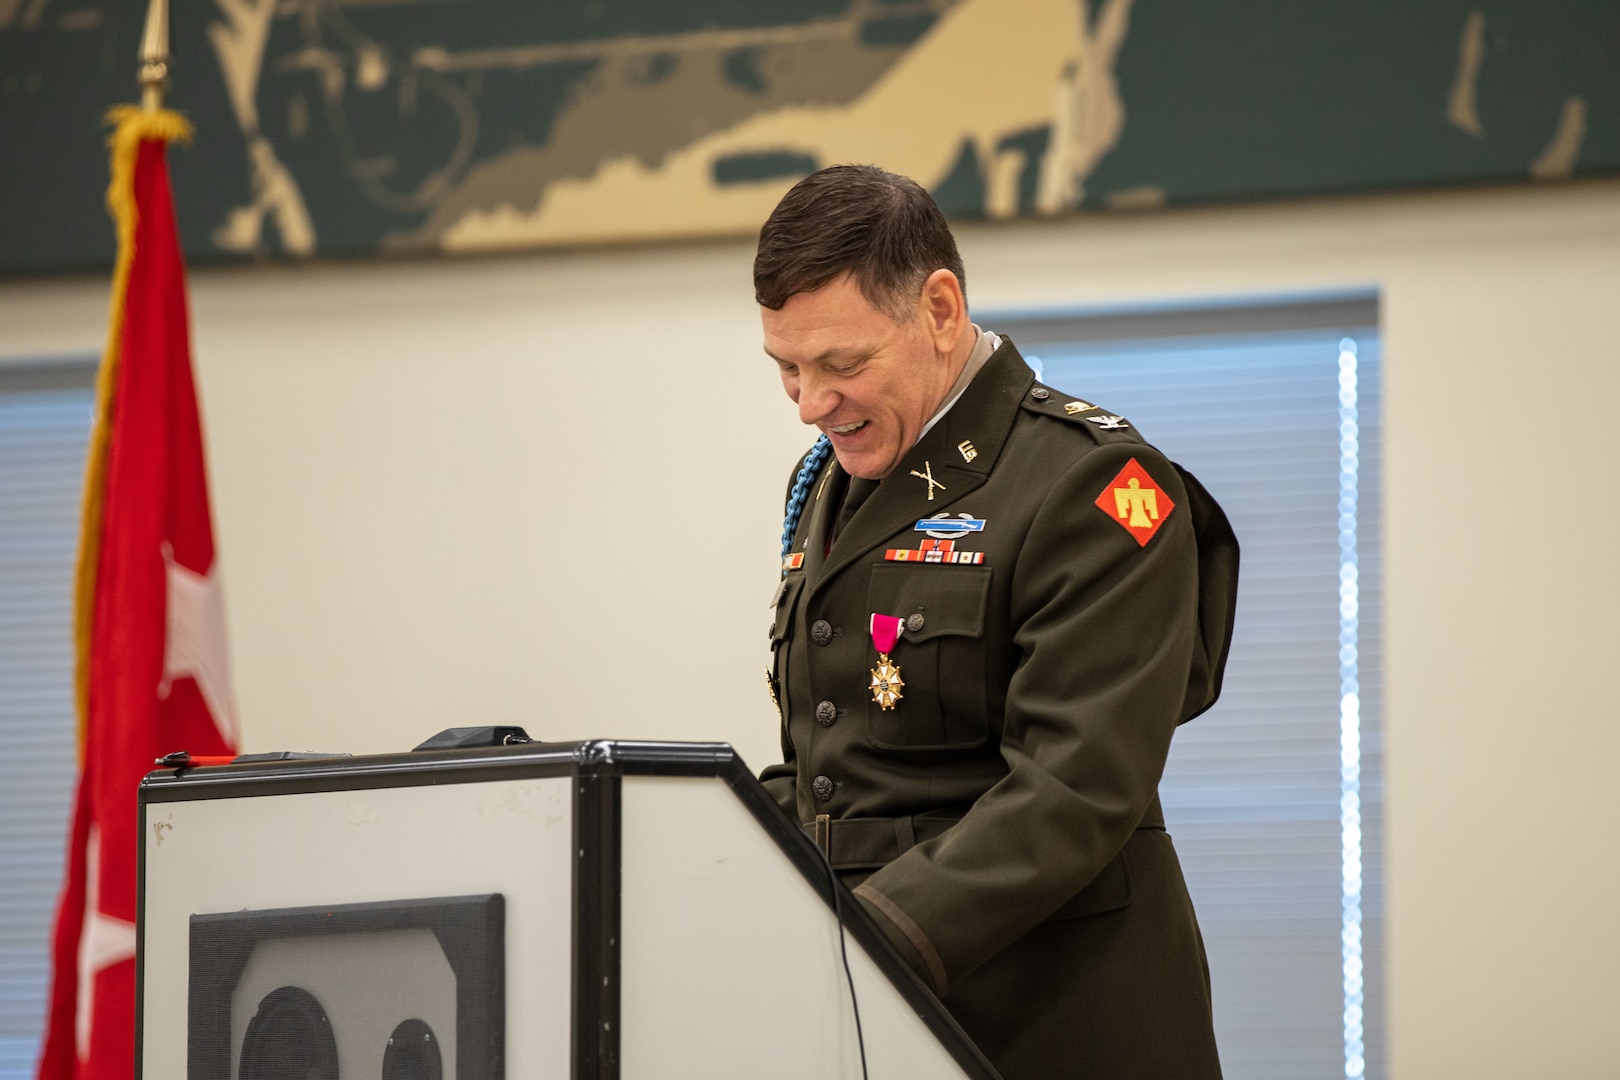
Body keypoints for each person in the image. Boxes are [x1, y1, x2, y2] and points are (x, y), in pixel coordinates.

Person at [756, 165, 1239, 1080]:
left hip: (1054, 1018)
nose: (813, 404)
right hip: (874, 1014)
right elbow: (827, 761)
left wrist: (869, 939)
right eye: (788, 369)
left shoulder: (1094, 486)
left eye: (842, 365)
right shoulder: (825, 481)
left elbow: (1077, 785)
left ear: (940, 309)